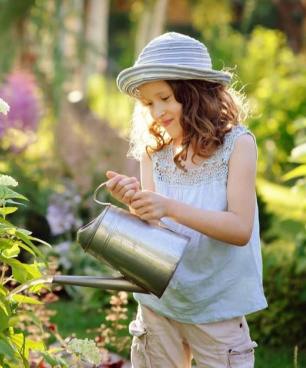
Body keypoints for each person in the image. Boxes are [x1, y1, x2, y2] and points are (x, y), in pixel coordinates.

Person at [105, 32, 267, 368]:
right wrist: (136, 204)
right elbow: (155, 227)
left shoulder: (238, 145)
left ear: (194, 93)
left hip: (215, 306)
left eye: (164, 97)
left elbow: (240, 229)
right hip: (159, 302)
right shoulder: (156, 151)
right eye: (149, 103)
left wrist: (169, 207)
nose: (157, 111)